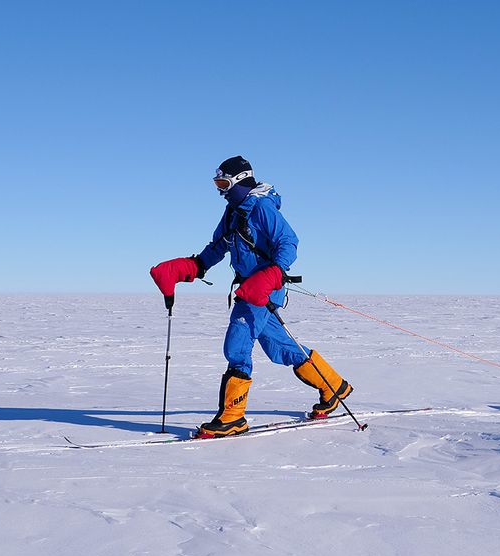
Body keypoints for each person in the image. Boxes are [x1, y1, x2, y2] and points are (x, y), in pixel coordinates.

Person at [149, 156, 353, 438]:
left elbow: (288, 242)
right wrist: (189, 267)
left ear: (239, 180)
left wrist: (271, 275)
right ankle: (333, 386)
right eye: (216, 184)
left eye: (223, 183)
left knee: (237, 347)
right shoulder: (233, 212)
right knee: (279, 347)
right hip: (249, 289)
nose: (220, 190)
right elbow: (217, 247)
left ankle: (233, 417)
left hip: (262, 289)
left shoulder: (262, 206)